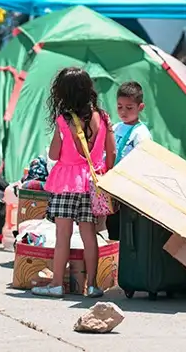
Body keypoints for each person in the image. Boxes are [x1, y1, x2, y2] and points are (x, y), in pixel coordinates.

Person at [31, 67, 117, 298]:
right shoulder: (104, 118)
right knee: (90, 236)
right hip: (92, 184)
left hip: (66, 184)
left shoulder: (63, 120)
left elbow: (54, 155)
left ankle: (57, 283)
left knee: (63, 236)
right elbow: (112, 153)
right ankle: (93, 285)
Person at [105, 81, 153, 240]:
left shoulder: (141, 134)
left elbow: (145, 162)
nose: (123, 111)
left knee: (125, 227)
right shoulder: (117, 127)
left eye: (129, 107)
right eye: (119, 107)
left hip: (128, 189)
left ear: (140, 107)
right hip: (113, 186)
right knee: (111, 224)